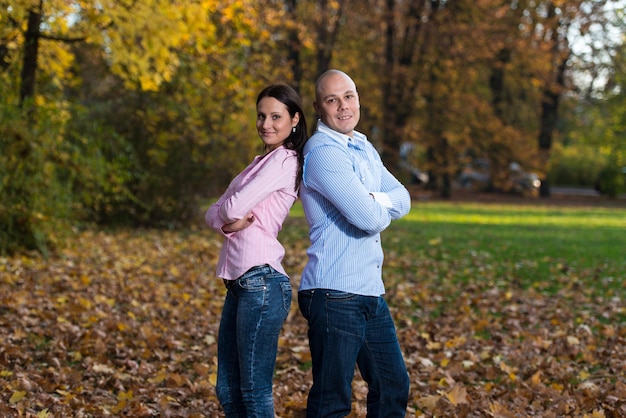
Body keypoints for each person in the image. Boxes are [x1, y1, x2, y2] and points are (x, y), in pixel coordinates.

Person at [298, 69, 411, 417]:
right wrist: (378, 203)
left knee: (393, 386)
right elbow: (369, 220)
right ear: (319, 107)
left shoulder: (362, 146)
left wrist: (370, 197)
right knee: (332, 402)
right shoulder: (322, 152)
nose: (343, 106)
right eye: (332, 100)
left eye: (349, 96)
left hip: (368, 292)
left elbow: (404, 198)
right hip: (334, 294)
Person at [205, 84, 308, 417]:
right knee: (228, 390)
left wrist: (225, 216)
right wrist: (224, 220)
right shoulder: (259, 162)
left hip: (261, 282)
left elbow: (231, 207)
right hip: (239, 283)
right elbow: (215, 212)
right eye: (261, 116)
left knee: (253, 392)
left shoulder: (285, 160)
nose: (266, 124)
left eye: (276, 116)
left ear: (294, 120)